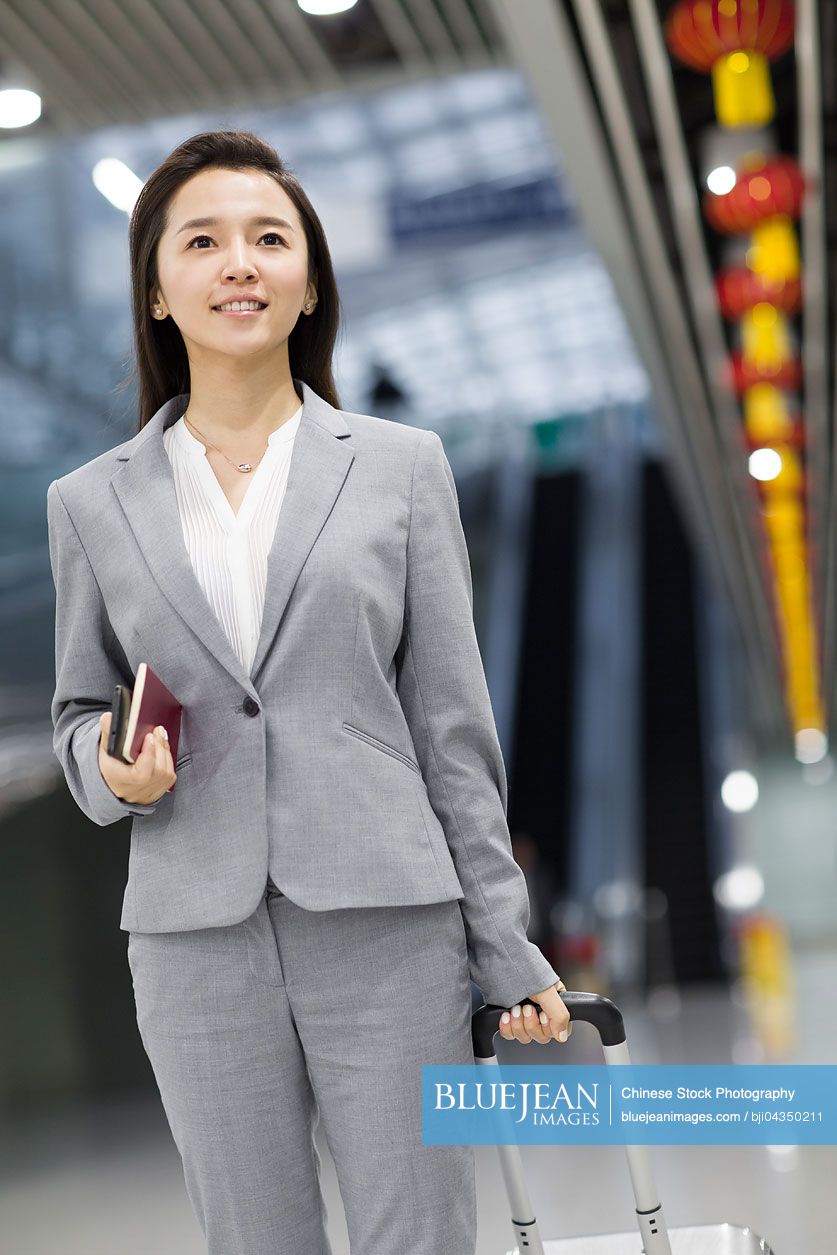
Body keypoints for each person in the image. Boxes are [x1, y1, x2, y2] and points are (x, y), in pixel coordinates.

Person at [46, 129, 571, 1255]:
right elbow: (76, 714)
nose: (239, 262)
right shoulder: (89, 503)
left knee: (417, 1235)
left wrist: (503, 940)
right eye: (204, 241)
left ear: (310, 282)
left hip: (389, 925)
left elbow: (453, 729)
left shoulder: (400, 467)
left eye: (269, 238)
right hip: (194, 938)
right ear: (155, 288)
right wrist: (110, 768)